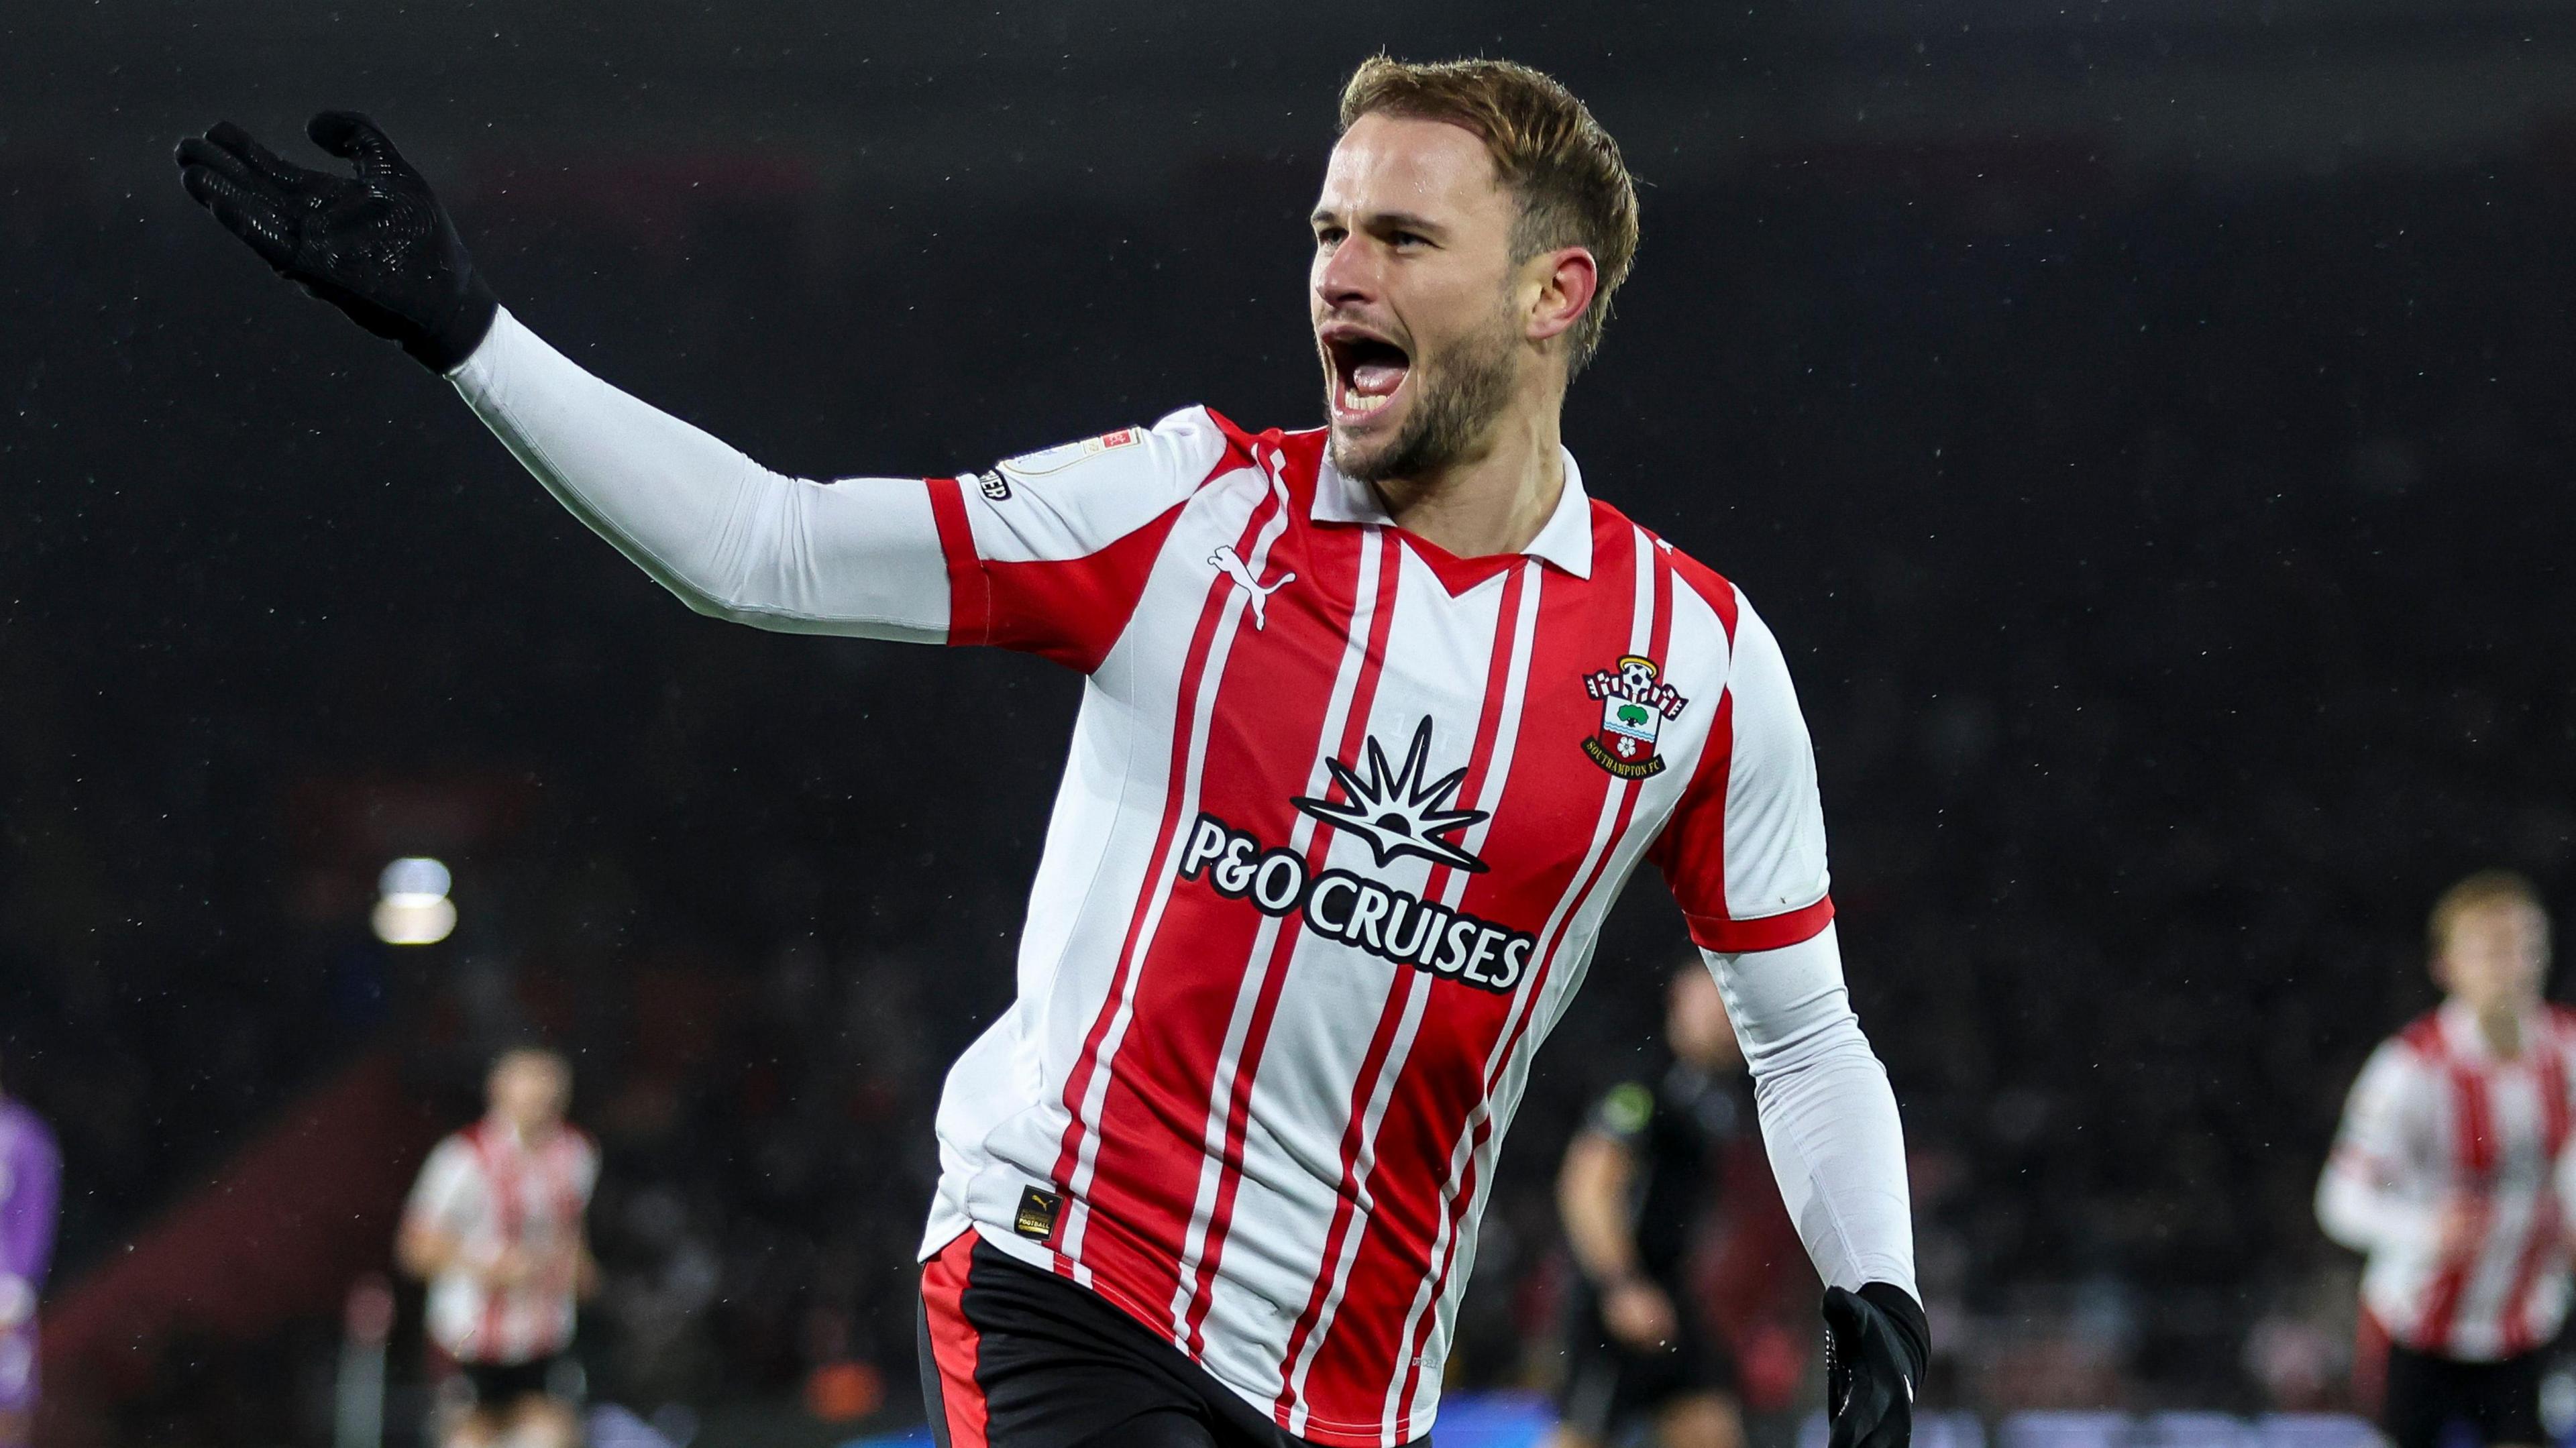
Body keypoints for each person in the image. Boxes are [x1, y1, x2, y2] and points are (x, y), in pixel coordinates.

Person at [176, 54, 1923, 1448]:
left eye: (1400, 236)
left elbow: (1805, 1027)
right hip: (1066, 1268)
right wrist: (474, 337)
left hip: (1357, 1382)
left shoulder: (1689, 659)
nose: (1336, 271)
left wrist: (1879, 1289)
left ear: (1556, 291)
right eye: (1326, 230)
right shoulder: (1186, 510)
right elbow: (763, 546)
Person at [2318, 871, 2573, 1448]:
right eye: (2492, 950)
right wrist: (2424, 1229)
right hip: (2417, 1327)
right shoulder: (2409, 1070)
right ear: (2447, 966)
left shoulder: (2568, 1051)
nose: (2514, 965)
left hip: (2523, 1323)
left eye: (2527, 945)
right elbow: (2339, 1200)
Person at [1550, 965, 1755, 1448]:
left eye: (1733, 1001)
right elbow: (1586, 1186)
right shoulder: (1642, 1080)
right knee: (1583, 1436)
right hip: (1617, 1297)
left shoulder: (1716, 1091)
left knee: (1711, 1428)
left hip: (1670, 1295)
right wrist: (1621, 1285)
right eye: (1714, 996)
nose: (1726, 1014)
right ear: (1680, 996)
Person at [398, 1048, 599, 1448]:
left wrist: (580, 1272)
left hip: (541, 1340)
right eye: (529, 1090)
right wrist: (488, 1268)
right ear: (499, 1092)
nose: (540, 1103)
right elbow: (414, 1248)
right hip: (469, 1340)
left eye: (548, 1092)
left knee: (550, 1437)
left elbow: (572, 1232)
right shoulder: (462, 1158)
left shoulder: (577, 1154)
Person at [0, 1060, 59, 1448]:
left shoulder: (23, 1137)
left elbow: (34, 1220)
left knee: (8, 1410)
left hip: (4, 1304)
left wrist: (12, 1298)